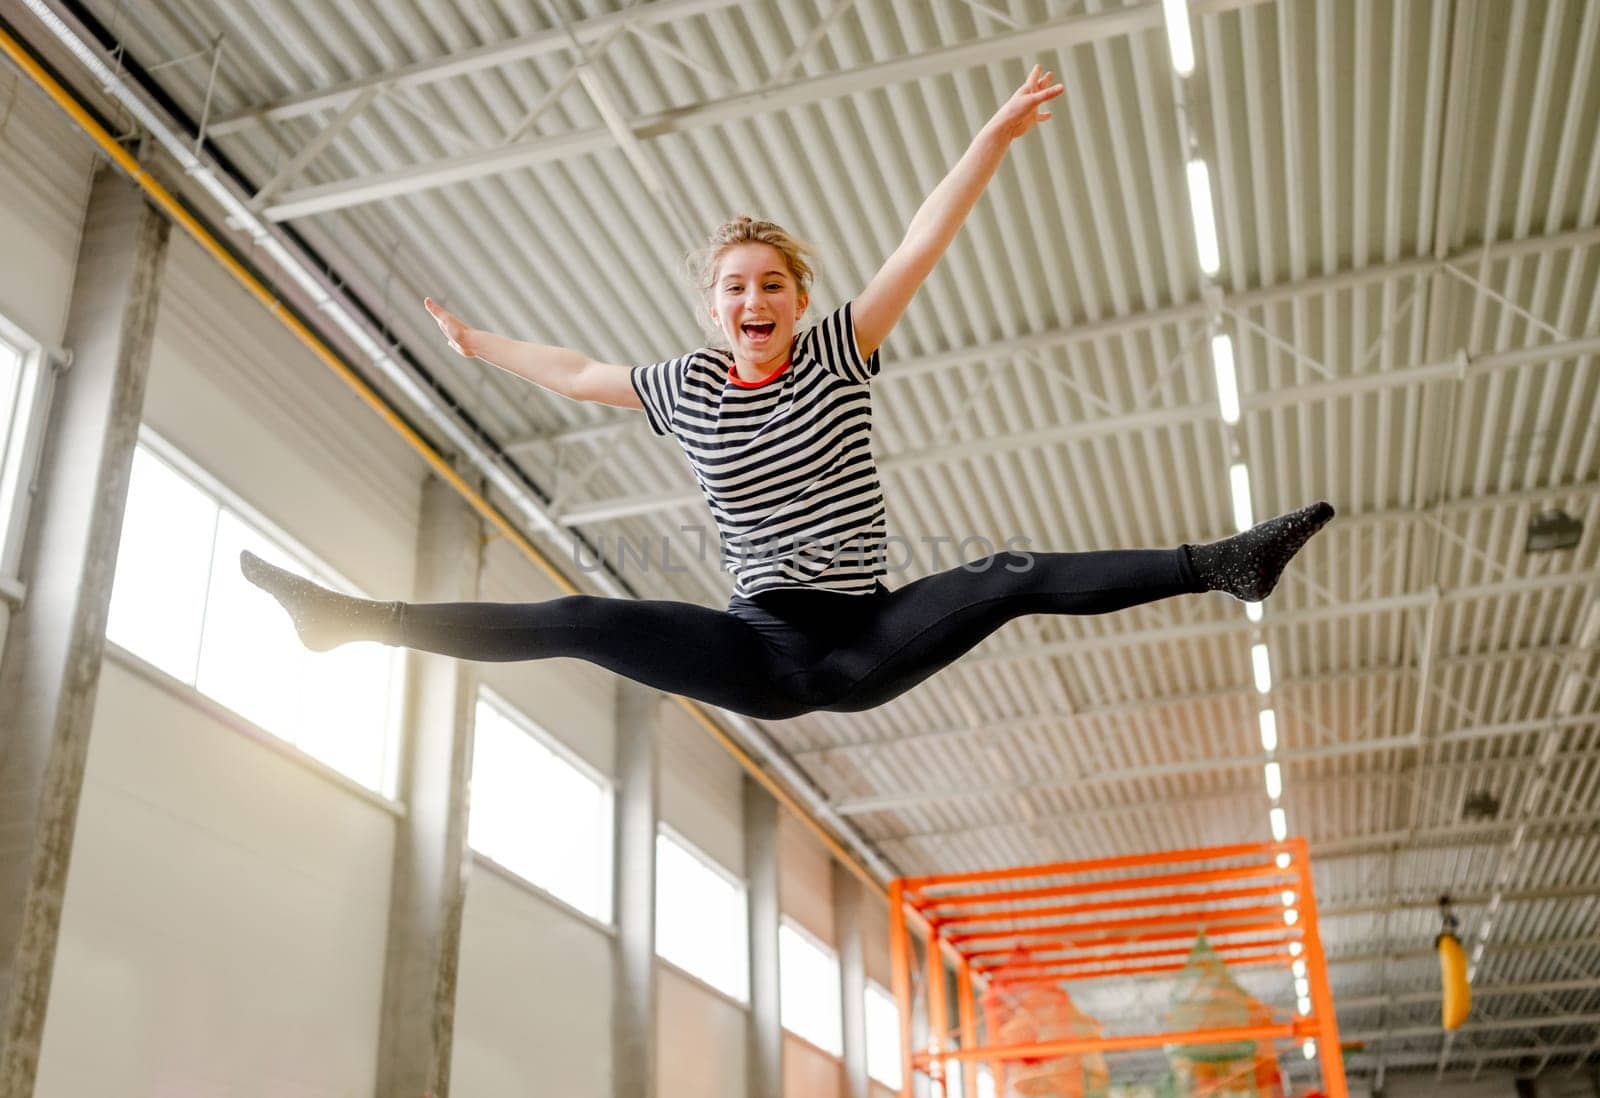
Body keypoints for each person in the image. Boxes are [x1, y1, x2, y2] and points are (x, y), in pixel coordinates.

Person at [241, 66, 1333, 721]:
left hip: (865, 633)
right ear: (712, 308)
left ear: (798, 298)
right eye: (734, 289)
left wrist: (987, 140)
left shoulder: (841, 349)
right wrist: (480, 345)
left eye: (772, 285)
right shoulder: (679, 386)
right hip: (755, 644)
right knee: (575, 616)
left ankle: (1222, 565)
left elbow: (921, 240)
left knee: (1013, 574)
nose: (753, 299)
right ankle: (356, 622)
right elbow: (577, 373)